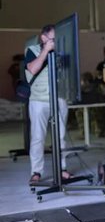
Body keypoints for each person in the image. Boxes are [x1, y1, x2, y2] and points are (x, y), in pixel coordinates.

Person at [25, 25, 72, 183]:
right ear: (44, 38)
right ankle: (36, 172)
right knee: (38, 137)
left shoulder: (62, 52)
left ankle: (62, 168)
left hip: (59, 99)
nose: (56, 42)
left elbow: (68, 74)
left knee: (61, 136)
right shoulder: (32, 50)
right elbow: (32, 69)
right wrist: (46, 51)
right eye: (53, 39)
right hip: (38, 100)